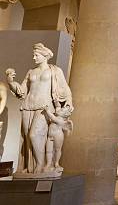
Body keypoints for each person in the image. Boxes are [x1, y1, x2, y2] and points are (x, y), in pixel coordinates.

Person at [5, 43, 72, 176]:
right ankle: (30, 167)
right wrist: (11, 82)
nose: (34, 57)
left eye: (37, 55)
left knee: (34, 135)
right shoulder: (31, 72)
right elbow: (22, 91)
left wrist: (69, 103)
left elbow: (65, 88)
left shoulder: (54, 70)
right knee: (27, 138)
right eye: (34, 55)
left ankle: (40, 164)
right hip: (28, 106)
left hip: (44, 107)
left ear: (45, 56)